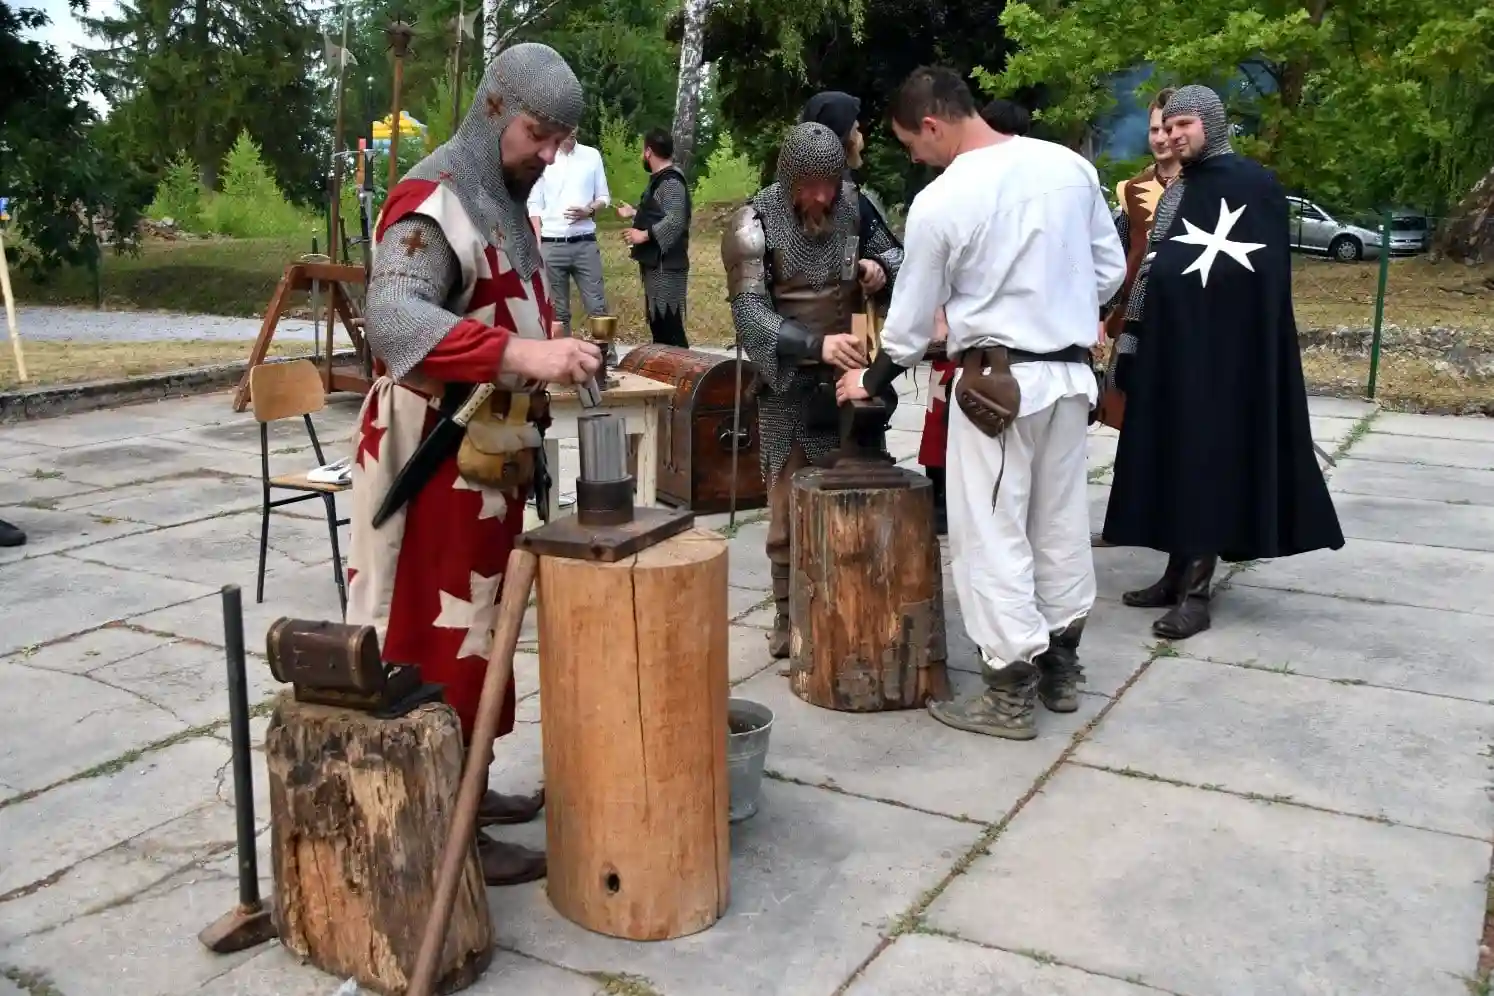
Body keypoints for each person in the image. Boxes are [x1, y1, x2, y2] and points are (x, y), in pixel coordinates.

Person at [349, 42, 601, 886]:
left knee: (481, 634)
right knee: (435, 638)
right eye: (539, 135)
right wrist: (524, 357)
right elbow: (393, 316)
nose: (550, 155)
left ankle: (472, 787)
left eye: (561, 141)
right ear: (495, 112)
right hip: (432, 460)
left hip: (487, 462)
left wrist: (551, 349)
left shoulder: (507, 205)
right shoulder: (433, 202)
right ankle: (439, 819)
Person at [838, 66, 1126, 740]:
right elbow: (1109, 271)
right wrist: (1053, 305)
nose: (916, 157)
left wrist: (870, 380)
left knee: (991, 534)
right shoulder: (1069, 168)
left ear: (931, 124)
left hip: (994, 392)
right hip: (1067, 381)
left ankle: (1008, 690)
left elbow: (909, 324)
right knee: (1058, 522)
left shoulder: (943, 199)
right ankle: (1060, 667)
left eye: (912, 143)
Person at [1101, 84, 1343, 639]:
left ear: (1211, 123)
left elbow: (1263, 283)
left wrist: (1236, 346)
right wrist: (1132, 337)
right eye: (1168, 126)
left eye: (1184, 124)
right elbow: (1155, 265)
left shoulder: (1255, 185)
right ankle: (1174, 573)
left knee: (1207, 464)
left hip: (1225, 359)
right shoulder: (1180, 189)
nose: (1173, 135)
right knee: (1172, 457)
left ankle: (1196, 593)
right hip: (1171, 348)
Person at [722, 121, 903, 659]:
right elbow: (750, 315)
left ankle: (851, 609)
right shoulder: (753, 223)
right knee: (785, 514)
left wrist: (878, 268)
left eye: (829, 183)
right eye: (811, 185)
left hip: (851, 383)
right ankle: (786, 616)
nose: (822, 196)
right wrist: (814, 345)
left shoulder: (855, 205)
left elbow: (900, 258)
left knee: (856, 501)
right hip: (789, 385)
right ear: (789, 177)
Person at [917, 97, 1033, 536]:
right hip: (954, 328)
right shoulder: (955, 187)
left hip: (1002, 342)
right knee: (938, 414)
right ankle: (940, 493)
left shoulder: (1025, 191)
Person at [1095, 87, 1180, 433]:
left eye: (1167, 129)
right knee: (1132, 419)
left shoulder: (1208, 188)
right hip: (1136, 317)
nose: (1159, 138)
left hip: (1188, 317)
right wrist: (1102, 314)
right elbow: (1121, 257)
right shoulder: (1132, 189)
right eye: (1154, 129)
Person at [526, 130, 611, 338]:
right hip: (551, 244)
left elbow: (604, 197)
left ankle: (606, 354)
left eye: (574, 125)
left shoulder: (591, 155)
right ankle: (563, 355)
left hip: (584, 243)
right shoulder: (544, 157)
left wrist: (589, 210)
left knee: (597, 307)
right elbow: (534, 204)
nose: (571, 130)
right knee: (558, 312)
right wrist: (538, 243)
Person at [616, 129, 691, 347]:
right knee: (661, 328)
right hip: (659, 265)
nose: (642, 155)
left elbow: (676, 220)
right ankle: (669, 367)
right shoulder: (661, 180)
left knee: (670, 330)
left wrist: (644, 234)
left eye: (643, 150)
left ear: (648, 151)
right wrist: (634, 213)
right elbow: (660, 214)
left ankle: (682, 368)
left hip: (667, 266)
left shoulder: (670, 181)